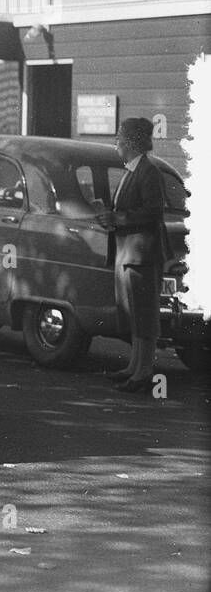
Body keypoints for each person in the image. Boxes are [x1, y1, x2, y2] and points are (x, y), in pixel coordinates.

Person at [98, 116, 170, 394]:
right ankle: (134, 367)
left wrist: (118, 217)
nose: (115, 143)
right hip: (130, 252)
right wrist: (112, 217)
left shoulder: (148, 171)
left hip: (142, 253)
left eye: (119, 137)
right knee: (135, 313)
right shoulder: (133, 170)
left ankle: (143, 372)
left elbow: (154, 212)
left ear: (130, 142)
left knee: (145, 314)